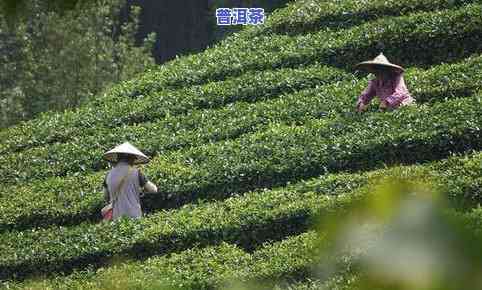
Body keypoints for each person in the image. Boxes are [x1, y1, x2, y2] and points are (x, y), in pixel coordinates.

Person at [102, 142, 158, 220]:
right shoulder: (136, 172)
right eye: (134, 158)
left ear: (118, 158)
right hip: (134, 216)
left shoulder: (108, 175)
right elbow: (154, 189)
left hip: (116, 218)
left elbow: (105, 196)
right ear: (130, 158)